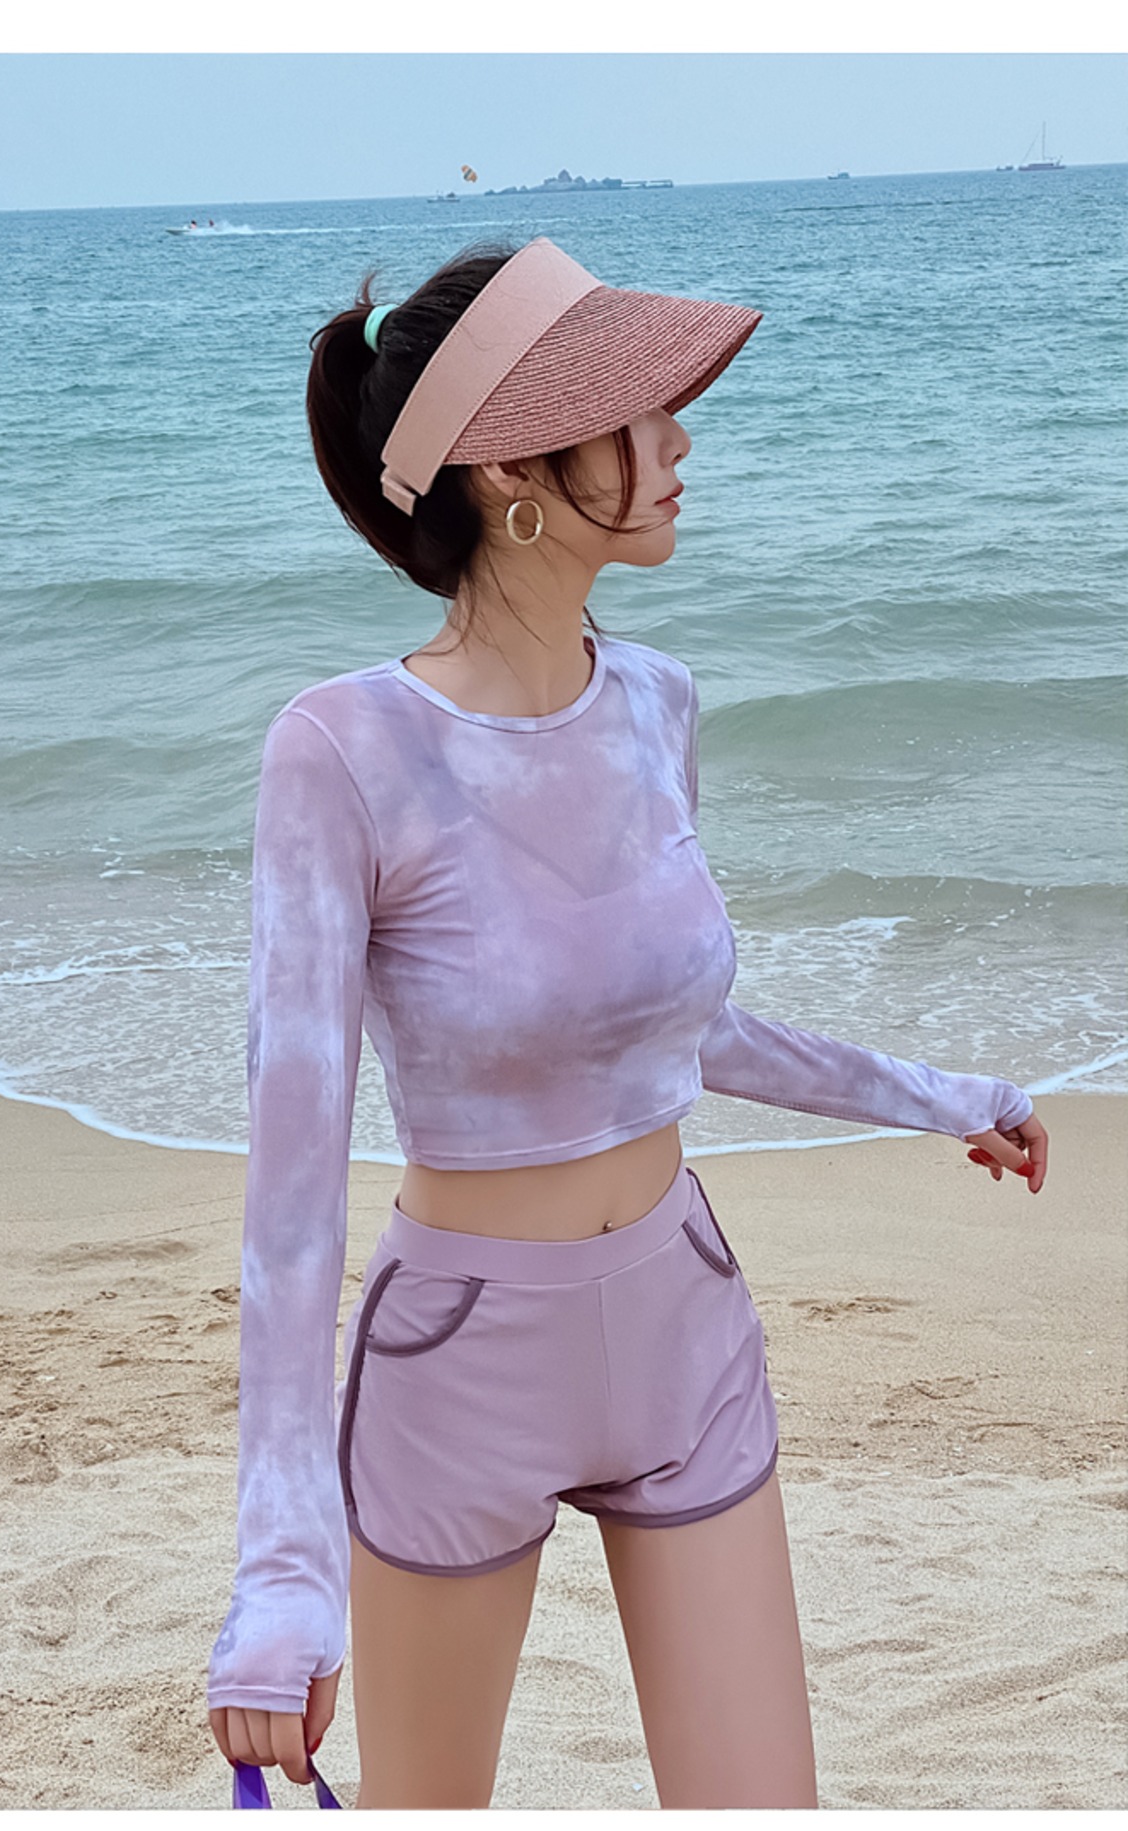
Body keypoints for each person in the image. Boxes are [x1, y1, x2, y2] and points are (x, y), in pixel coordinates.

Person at [205, 236, 1048, 1809]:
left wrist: (943, 1094)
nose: (678, 443)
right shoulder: (342, 751)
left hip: (683, 1319)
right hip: (460, 1361)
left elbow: (666, 1030)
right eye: (635, 415)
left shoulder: (658, 701)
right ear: (512, 469)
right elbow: (293, 1188)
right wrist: (279, 1576)